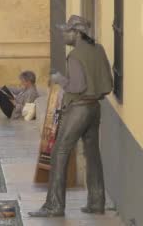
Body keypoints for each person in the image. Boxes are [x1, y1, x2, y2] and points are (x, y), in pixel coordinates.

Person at [30, 15, 113, 218]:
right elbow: (107, 82)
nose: (64, 34)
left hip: (79, 108)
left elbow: (77, 86)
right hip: (94, 107)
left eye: (67, 31)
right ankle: (96, 202)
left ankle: (54, 206)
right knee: (93, 155)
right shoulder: (98, 49)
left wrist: (60, 79)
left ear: (77, 33)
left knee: (59, 151)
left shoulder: (75, 55)